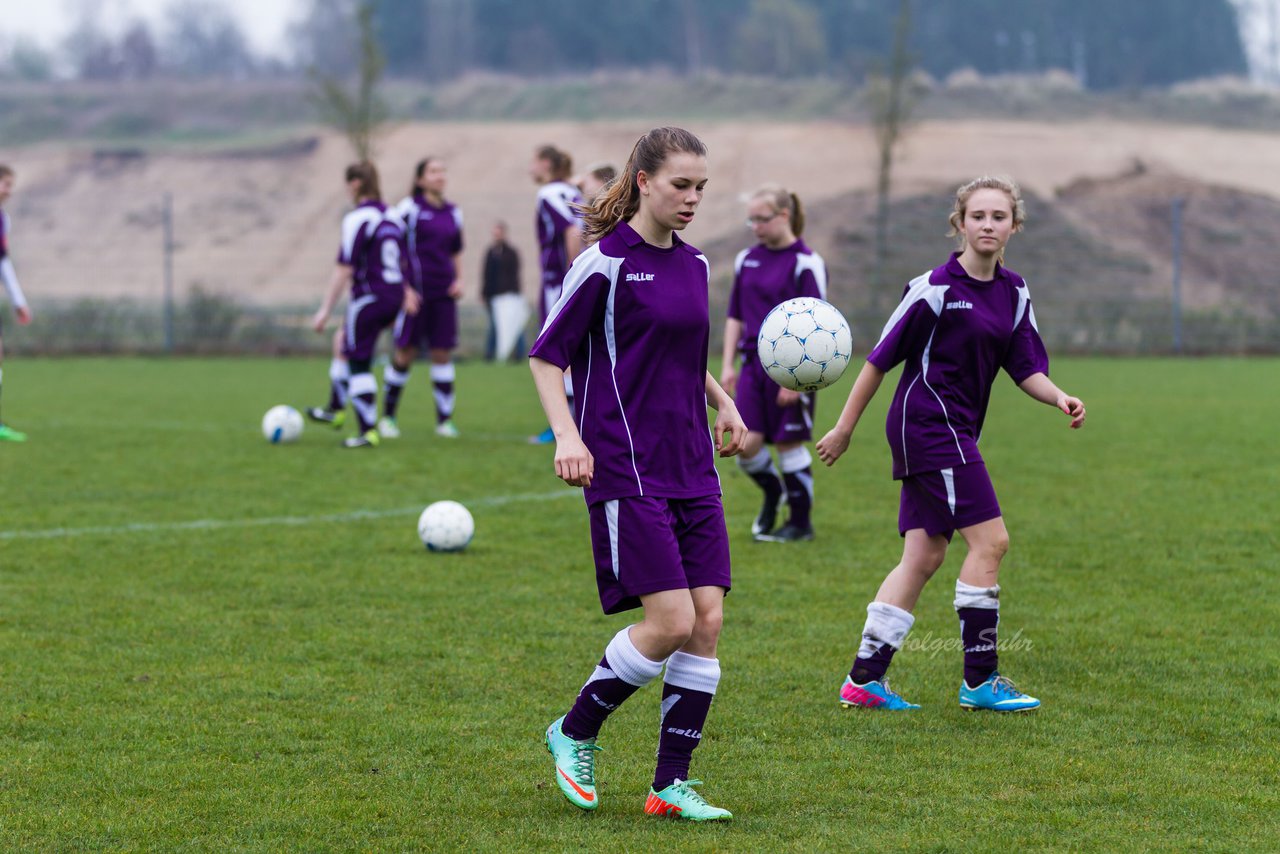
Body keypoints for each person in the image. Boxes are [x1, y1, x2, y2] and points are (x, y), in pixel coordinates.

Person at [530, 127, 746, 821]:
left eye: (701, 188)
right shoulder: (604, 264)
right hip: (625, 463)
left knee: (706, 622)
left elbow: (682, 355)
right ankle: (574, 729)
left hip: (692, 463)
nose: (692, 199)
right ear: (644, 181)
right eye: (681, 185)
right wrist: (567, 436)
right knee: (671, 620)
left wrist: (725, 402)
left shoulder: (696, 264)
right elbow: (546, 356)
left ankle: (669, 785)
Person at [815, 176, 1086, 713]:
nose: (988, 225)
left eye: (999, 216)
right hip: (929, 427)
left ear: (1014, 225)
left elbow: (1025, 366)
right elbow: (878, 361)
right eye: (978, 216)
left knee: (924, 553)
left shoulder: (1014, 291)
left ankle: (864, 680)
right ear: (960, 223)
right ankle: (980, 679)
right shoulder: (934, 288)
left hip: (953, 431)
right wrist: (845, 427)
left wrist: (1058, 397)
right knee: (991, 542)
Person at [720, 184, 828, 542]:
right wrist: (728, 364)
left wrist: (795, 380)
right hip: (752, 366)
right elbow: (735, 314)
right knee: (745, 444)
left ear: (783, 216)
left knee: (788, 445)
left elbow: (818, 325)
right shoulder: (745, 258)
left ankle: (800, 523)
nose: (755, 226)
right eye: (750, 219)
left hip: (794, 370)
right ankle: (772, 492)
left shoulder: (805, 262)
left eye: (761, 219)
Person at [308, 161, 420, 448]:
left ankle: (367, 431)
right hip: (393, 295)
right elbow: (403, 259)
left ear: (355, 184)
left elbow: (344, 267)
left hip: (369, 297)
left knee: (359, 360)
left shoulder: (357, 218)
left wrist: (325, 309)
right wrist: (406, 291)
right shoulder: (394, 216)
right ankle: (335, 408)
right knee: (342, 340)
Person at [380, 157, 465, 439]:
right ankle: (388, 418)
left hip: (443, 295)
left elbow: (455, 251)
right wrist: (403, 290)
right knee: (405, 353)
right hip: (415, 296)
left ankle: (445, 422)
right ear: (420, 179)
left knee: (442, 353)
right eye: (433, 171)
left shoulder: (454, 212)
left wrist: (459, 279)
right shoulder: (408, 209)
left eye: (443, 171)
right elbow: (391, 248)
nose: (440, 176)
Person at [528, 145, 584, 444]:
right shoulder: (572, 191)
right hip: (571, 278)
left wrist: (572, 274)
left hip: (557, 281)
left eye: (533, 162)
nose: (530, 169)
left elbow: (572, 231)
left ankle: (566, 424)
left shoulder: (548, 194)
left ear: (546, 163)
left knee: (556, 352)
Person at [0, 164, 32, 443]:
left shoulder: (2, 219)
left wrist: (18, 300)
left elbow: (3, 261)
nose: (9, 191)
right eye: (6, 184)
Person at [481, 220, 524, 362]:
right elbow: (486, 274)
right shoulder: (490, 252)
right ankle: (490, 354)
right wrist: (485, 293)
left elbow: (514, 274)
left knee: (514, 325)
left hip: (508, 295)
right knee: (494, 325)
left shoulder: (511, 253)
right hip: (494, 296)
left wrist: (514, 292)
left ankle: (519, 354)